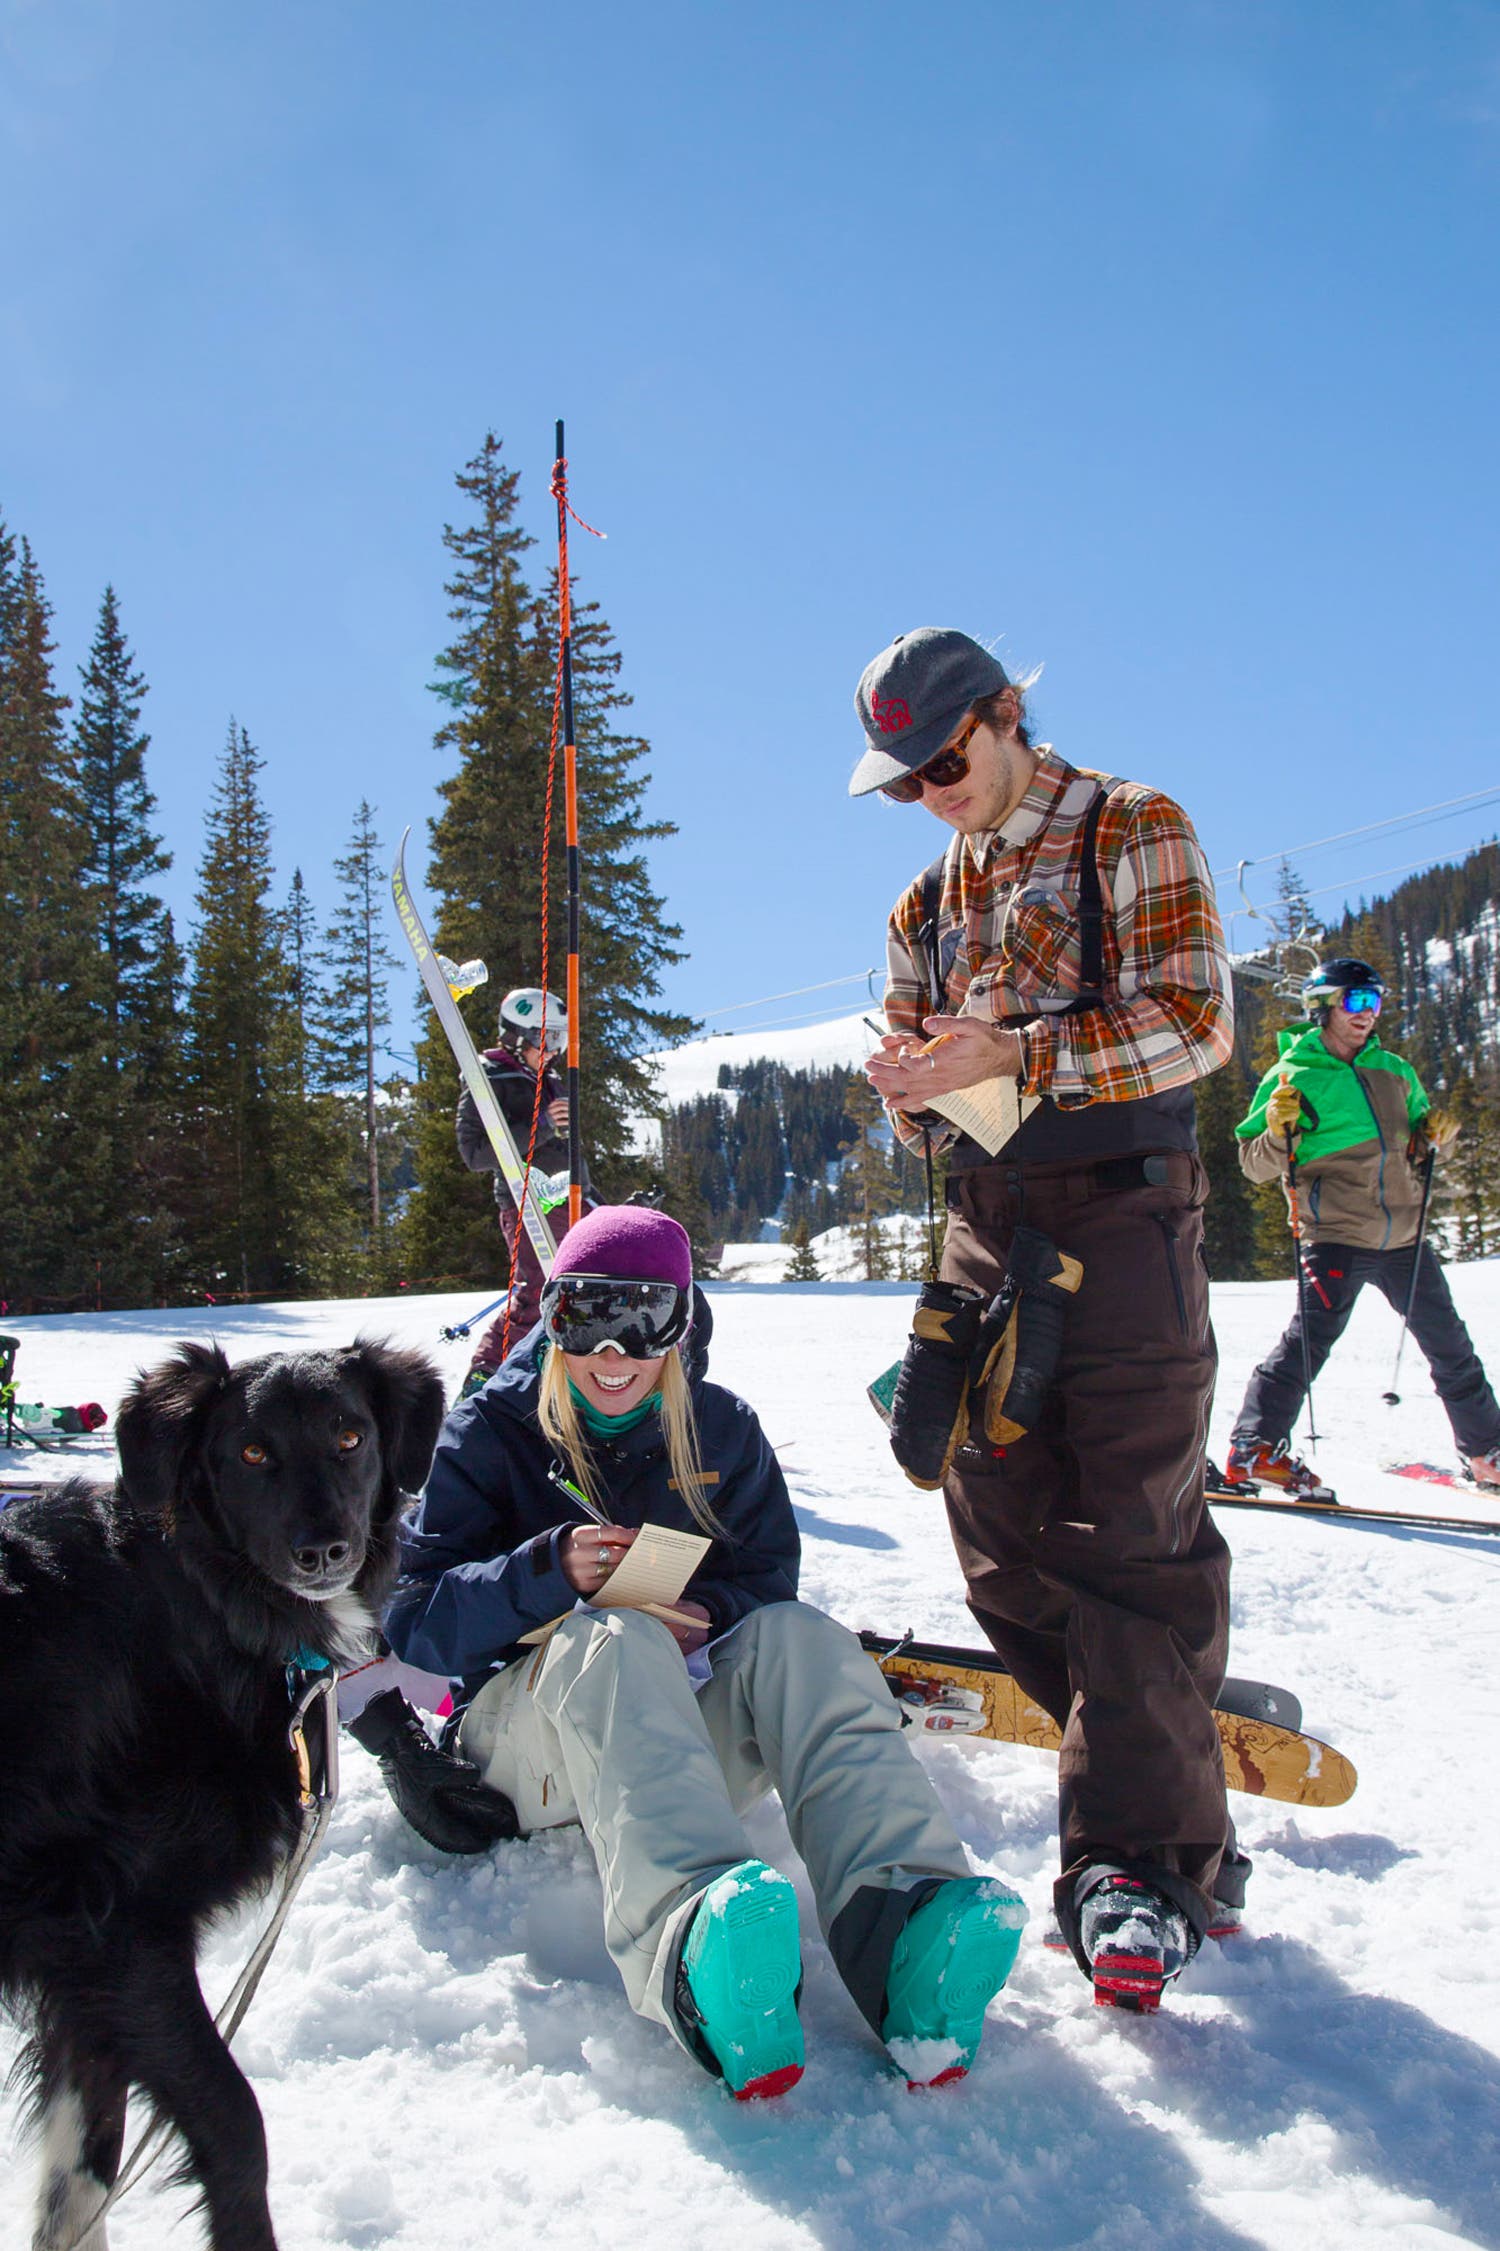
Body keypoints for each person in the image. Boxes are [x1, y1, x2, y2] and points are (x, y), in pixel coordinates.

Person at [384, 1204, 1025, 2098]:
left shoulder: (719, 1429)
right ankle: (698, 1949)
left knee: (800, 1638)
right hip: (529, 1748)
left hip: (668, 1736)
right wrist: (547, 1571)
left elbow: (768, 1580)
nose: (613, 1354)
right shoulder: (493, 1430)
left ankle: (908, 1922)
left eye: (643, 1320)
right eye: (584, 1318)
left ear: (681, 1325)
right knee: (610, 1636)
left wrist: (707, 1607)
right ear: (553, 1319)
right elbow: (414, 1620)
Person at [850, 625, 1240, 2012]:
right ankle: (1168, 1768)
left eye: (947, 759)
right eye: (906, 778)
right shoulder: (920, 906)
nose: (933, 791)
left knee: (1125, 1530)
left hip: (1125, 1209)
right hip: (982, 1219)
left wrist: (1021, 1048)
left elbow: (1198, 1022)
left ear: (1010, 714)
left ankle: (1135, 1862)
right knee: (996, 1526)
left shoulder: (1134, 824)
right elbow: (909, 1073)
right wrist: (906, 1088)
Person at [1226, 957, 1500, 1496]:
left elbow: (1418, 1140)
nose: (1367, 1013)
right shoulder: (1292, 1075)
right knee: (1306, 1347)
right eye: (1354, 1002)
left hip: (1405, 1240)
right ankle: (1253, 1450)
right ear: (1322, 1007)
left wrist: (1433, 1135)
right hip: (1335, 1238)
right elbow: (1253, 1164)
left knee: (1451, 1348)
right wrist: (1280, 1131)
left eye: (1374, 1002)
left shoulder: (1396, 1071)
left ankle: (1486, 1452)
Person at [456, 985, 593, 1395]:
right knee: (536, 1296)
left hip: (567, 1200)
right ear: (518, 1036)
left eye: (559, 1041)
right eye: (547, 1039)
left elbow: (569, 1151)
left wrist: (591, 1198)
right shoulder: (490, 1078)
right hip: (526, 1203)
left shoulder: (548, 1080)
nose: (553, 1050)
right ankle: (494, 1385)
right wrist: (545, 1124)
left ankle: (555, 1385)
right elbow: (476, 1152)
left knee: (574, 1292)